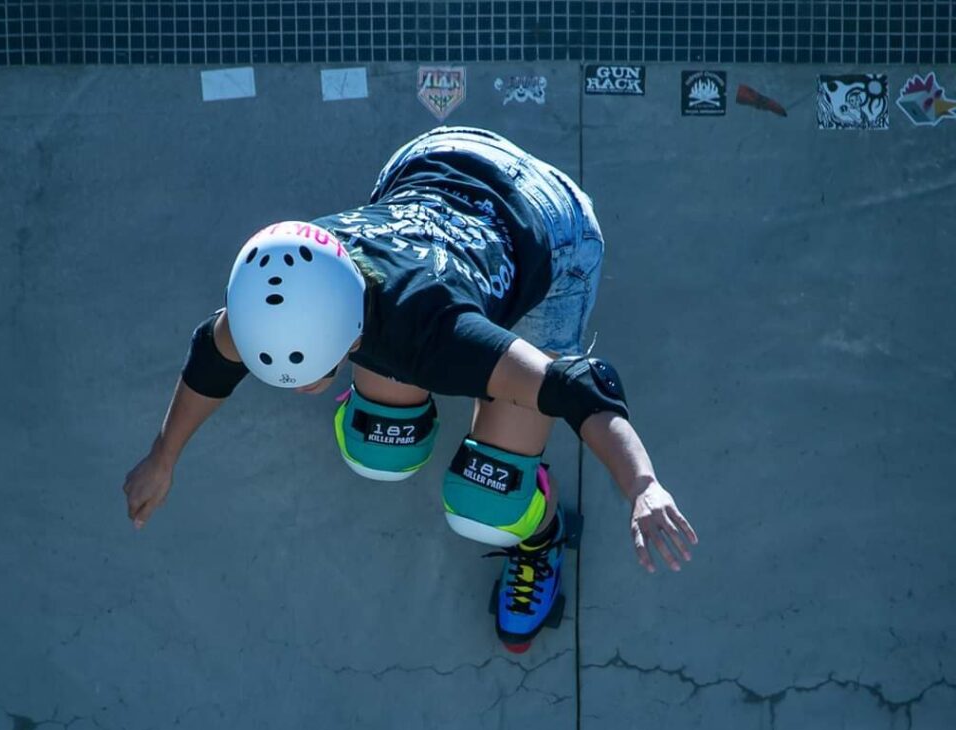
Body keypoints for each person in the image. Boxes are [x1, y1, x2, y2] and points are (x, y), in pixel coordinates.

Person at [123, 126, 697, 653]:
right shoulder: (289, 273)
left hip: (551, 224)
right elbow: (212, 355)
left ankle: (540, 537)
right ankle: (398, 406)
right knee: (378, 447)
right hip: (431, 161)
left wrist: (642, 485)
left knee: (486, 505)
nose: (300, 393)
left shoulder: (439, 336)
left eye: (310, 377)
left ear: (348, 341)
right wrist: (163, 456)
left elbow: (582, 389)